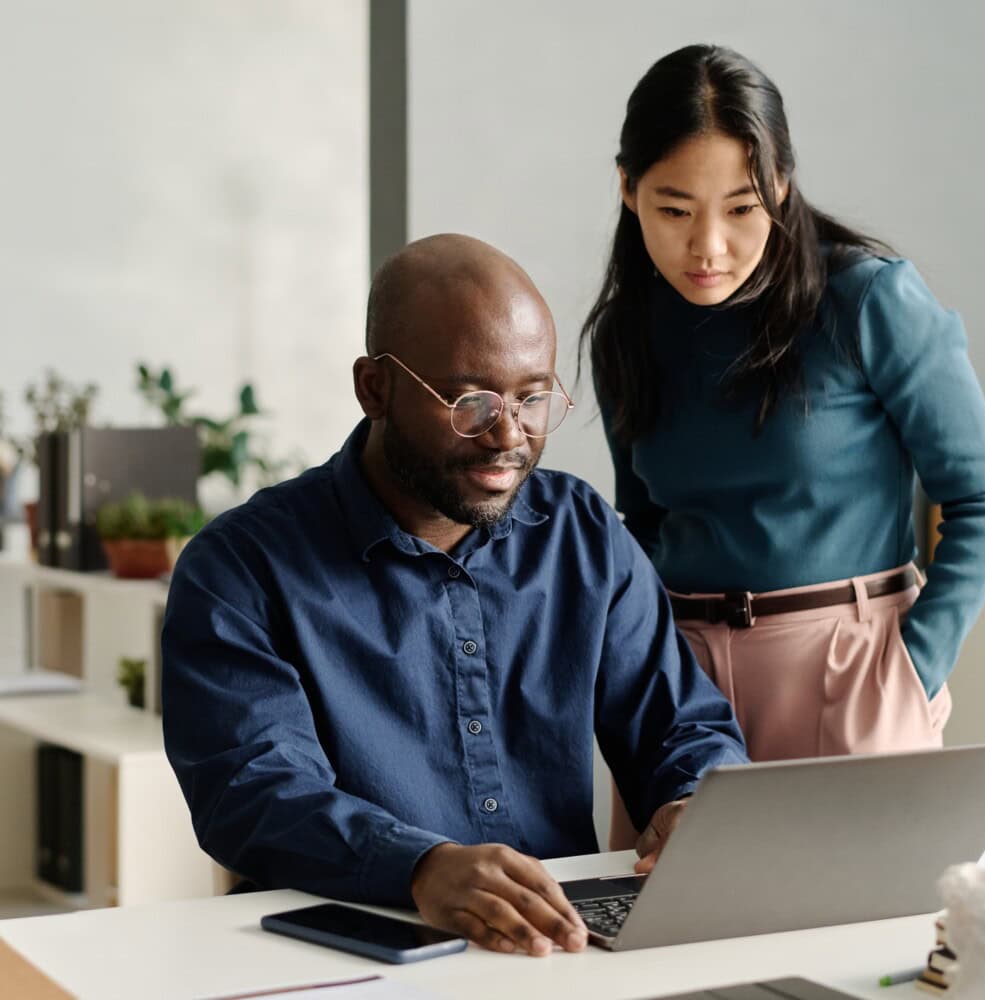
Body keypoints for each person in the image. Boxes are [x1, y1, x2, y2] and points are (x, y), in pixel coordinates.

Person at [162, 233, 748, 956]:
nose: (508, 436)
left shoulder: (582, 533)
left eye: (533, 398)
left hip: (554, 951)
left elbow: (681, 723)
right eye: (470, 402)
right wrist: (418, 867)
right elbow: (254, 792)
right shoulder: (241, 568)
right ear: (375, 388)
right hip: (347, 953)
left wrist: (694, 802)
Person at [579, 44, 985, 850]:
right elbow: (642, 527)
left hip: (853, 671)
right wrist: (648, 672)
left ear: (780, 184)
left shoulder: (866, 298)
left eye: (741, 208)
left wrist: (913, 667)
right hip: (684, 692)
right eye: (675, 210)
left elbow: (983, 495)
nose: (708, 246)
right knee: (667, 918)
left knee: (861, 918)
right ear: (629, 190)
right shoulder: (627, 333)